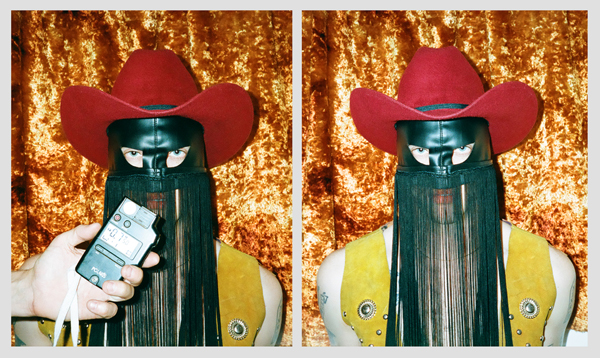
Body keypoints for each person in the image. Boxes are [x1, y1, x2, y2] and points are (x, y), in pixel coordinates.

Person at [14, 49, 283, 346]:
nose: (156, 179)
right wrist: (24, 293)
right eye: (134, 154)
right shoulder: (47, 282)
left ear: (199, 158)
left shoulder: (257, 289)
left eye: (176, 153)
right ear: (114, 157)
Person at [317, 46, 576, 347]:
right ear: (402, 153)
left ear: (486, 151)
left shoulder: (552, 272)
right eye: (421, 152)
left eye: (462, 150)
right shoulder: (340, 277)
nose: (443, 177)